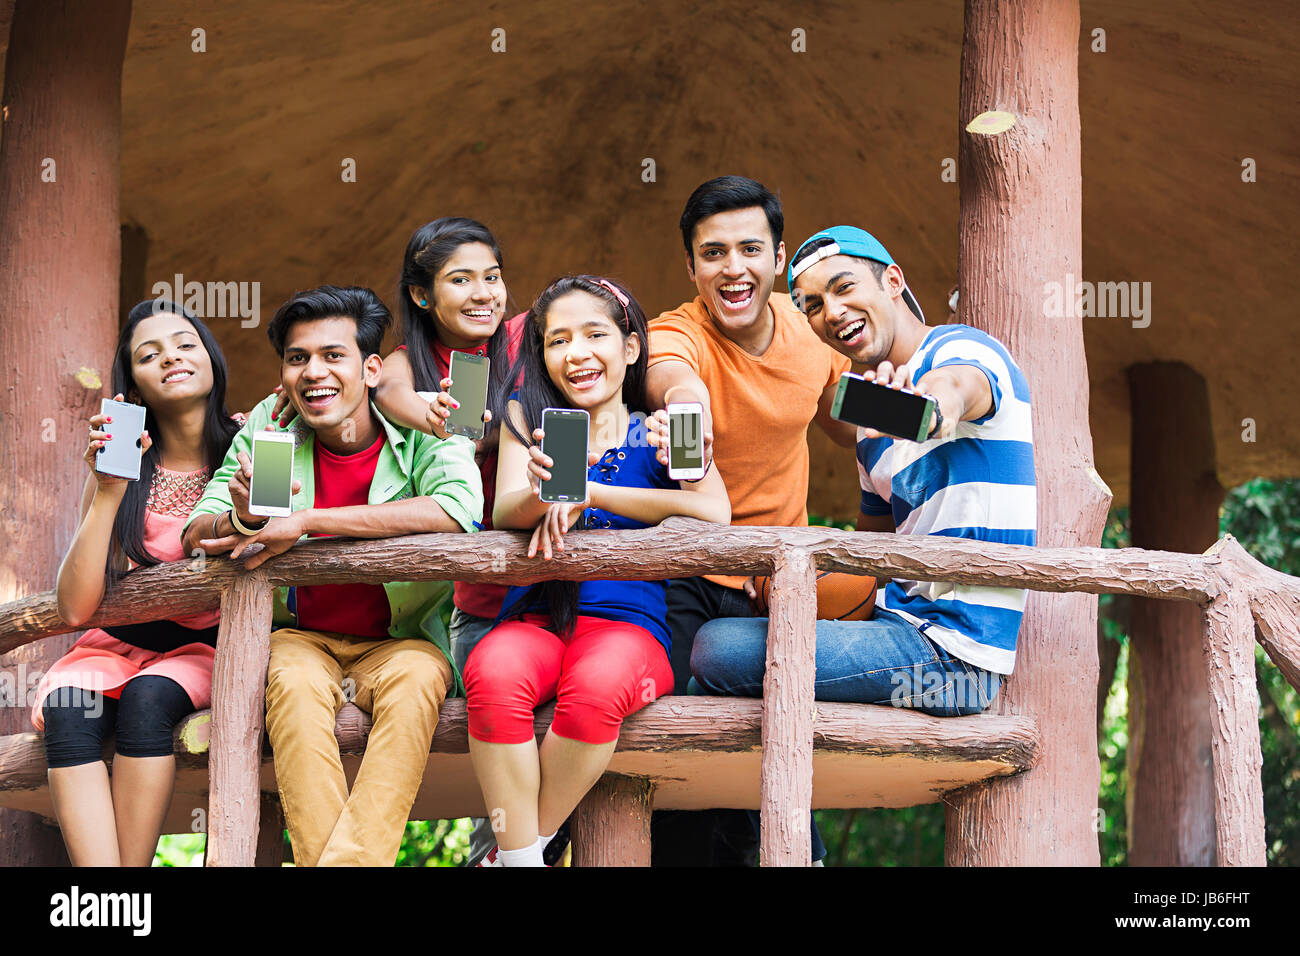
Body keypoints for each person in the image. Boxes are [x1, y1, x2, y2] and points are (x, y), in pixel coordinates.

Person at [182, 285, 483, 867]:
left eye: (332, 355)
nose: (313, 372)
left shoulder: (428, 425)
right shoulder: (269, 432)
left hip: (404, 643)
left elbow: (456, 509)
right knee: (291, 684)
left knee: (421, 677)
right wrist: (240, 516)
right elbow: (196, 530)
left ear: (371, 369)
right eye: (298, 358)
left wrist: (308, 520)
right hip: (300, 638)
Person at [693, 225, 1036, 722]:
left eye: (844, 287)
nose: (830, 312)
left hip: (957, 659)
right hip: (893, 624)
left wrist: (928, 407)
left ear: (893, 281)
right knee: (721, 636)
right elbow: (866, 555)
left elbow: (954, 389)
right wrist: (782, 573)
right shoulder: (868, 423)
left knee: (716, 652)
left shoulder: (965, 349)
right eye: (811, 305)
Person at [466, 275, 731, 866]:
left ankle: (510, 856)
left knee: (599, 688)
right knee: (492, 672)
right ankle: (522, 858)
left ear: (630, 345)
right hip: (536, 616)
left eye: (594, 335)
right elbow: (507, 509)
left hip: (629, 628)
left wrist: (594, 494)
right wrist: (544, 494)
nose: (576, 353)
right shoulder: (529, 420)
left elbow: (715, 513)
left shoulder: (663, 423)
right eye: (557, 341)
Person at [643, 175, 858, 865]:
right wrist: (689, 416)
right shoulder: (675, 333)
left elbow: (851, 419)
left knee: (773, 740)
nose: (732, 268)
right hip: (686, 570)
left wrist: (930, 417)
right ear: (692, 267)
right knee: (673, 747)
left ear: (778, 257)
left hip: (780, 580)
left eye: (749, 250)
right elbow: (672, 379)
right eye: (713, 254)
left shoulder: (810, 333)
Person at [33, 300, 242, 866]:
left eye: (184, 344)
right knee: (69, 707)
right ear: (134, 385)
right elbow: (76, 609)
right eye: (149, 355)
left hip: (205, 649)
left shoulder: (249, 445)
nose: (170, 358)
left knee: (150, 701)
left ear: (212, 360)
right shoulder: (120, 466)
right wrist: (106, 491)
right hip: (116, 646)